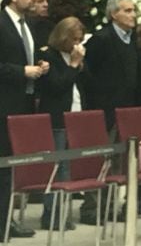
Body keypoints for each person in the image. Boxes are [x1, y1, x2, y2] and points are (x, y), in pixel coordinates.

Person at [0, 0, 49, 239]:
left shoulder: (27, 24)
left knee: (13, 166)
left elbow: (23, 56)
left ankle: (6, 219)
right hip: (3, 104)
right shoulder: (1, 23)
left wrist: (38, 66)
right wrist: (23, 71)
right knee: (3, 165)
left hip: (23, 103)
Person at [37, 17, 87, 232]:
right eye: (74, 39)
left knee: (69, 165)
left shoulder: (76, 55)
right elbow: (57, 86)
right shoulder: (48, 55)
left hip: (75, 115)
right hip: (57, 117)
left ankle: (63, 213)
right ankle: (52, 214)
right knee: (57, 167)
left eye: (80, 40)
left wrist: (78, 64)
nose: (77, 45)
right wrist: (74, 65)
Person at [82, 0, 139, 129]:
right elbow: (88, 72)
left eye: (134, 10)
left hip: (128, 105)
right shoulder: (101, 39)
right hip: (104, 106)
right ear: (114, 14)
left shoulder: (134, 38)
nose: (134, 15)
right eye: (128, 11)